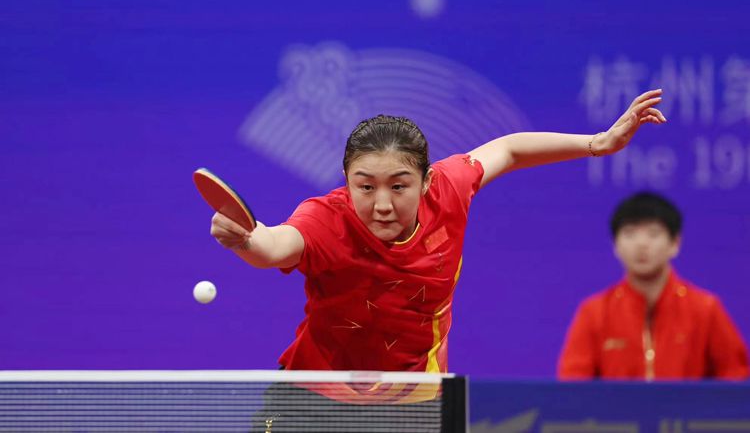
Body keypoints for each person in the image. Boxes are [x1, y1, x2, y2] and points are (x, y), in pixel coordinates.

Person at [211, 89, 665, 374]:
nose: (382, 203)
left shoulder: (448, 189)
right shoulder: (326, 219)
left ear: (426, 182)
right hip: (315, 392)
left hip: (415, 398)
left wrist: (596, 143)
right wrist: (246, 238)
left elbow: (508, 150)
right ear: (346, 182)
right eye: (365, 187)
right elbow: (275, 246)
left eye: (399, 186)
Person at [558, 192, 749, 380]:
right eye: (630, 233)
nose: (641, 244)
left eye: (653, 233)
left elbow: (736, 378)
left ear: (675, 243)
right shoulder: (595, 312)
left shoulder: (705, 309)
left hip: (684, 403)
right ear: (615, 245)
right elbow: (573, 385)